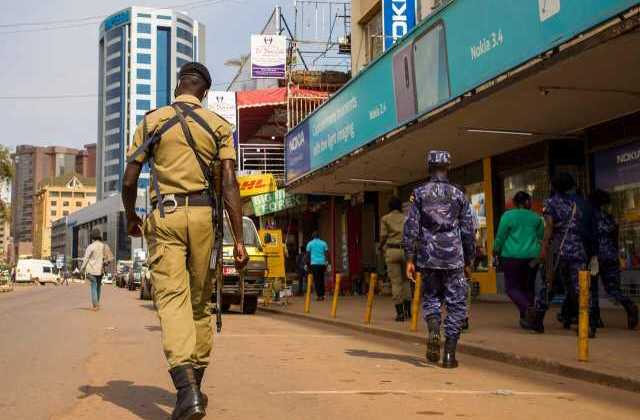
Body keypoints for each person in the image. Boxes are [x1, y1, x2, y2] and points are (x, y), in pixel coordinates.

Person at [122, 62, 249, 420]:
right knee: (200, 305)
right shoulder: (219, 126)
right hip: (206, 220)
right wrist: (239, 239)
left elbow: (130, 179)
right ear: (204, 93)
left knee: (173, 302)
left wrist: (132, 217)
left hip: (166, 218)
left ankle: (188, 392)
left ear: (177, 86)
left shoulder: (153, 122)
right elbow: (229, 184)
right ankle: (194, 388)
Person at [403, 151, 476, 368]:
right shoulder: (458, 195)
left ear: (429, 167)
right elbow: (468, 231)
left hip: (428, 255)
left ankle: (434, 329)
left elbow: (411, 227)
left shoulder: (418, 194)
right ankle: (449, 356)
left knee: (432, 298)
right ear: (448, 167)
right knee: (456, 304)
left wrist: (409, 258)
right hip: (454, 256)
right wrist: (469, 259)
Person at [534, 173, 598, 336]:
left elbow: (549, 226)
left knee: (549, 283)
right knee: (580, 287)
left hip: (558, 249)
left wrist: (544, 247)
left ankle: (537, 320)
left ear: (553, 186)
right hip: (577, 249)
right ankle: (588, 324)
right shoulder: (576, 203)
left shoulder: (550, 202)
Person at [493, 191, 544, 329]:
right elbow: (540, 236)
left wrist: (495, 249)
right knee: (528, 287)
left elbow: (501, 236)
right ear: (528, 202)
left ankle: (529, 310)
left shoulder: (508, 216)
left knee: (512, 288)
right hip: (532, 257)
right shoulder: (536, 217)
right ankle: (528, 319)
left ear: (515, 202)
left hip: (511, 256)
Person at [590, 189, 638, 330]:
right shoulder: (609, 218)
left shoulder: (590, 217)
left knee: (593, 289)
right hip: (610, 255)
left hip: (595, 257)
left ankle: (596, 318)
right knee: (613, 289)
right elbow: (614, 237)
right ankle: (629, 305)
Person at [379, 196, 412, 321]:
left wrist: (380, 247)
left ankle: (400, 313)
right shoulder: (406, 218)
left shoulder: (385, 219)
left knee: (396, 283)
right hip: (406, 251)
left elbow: (383, 236)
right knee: (406, 281)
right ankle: (408, 312)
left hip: (392, 251)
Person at [80, 228, 112, 311]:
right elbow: (109, 258)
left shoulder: (90, 246)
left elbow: (86, 258)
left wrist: (82, 268)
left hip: (91, 270)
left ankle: (95, 305)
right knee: (98, 287)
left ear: (92, 237)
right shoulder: (104, 246)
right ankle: (97, 303)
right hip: (100, 270)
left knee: (93, 286)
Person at [306, 232, 329, 301]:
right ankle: (323, 294)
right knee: (321, 279)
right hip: (322, 264)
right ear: (319, 236)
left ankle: (319, 295)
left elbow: (308, 254)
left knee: (316, 280)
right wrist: (328, 263)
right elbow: (327, 253)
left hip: (314, 264)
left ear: (313, 236)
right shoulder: (324, 243)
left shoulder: (310, 243)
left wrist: (306, 264)